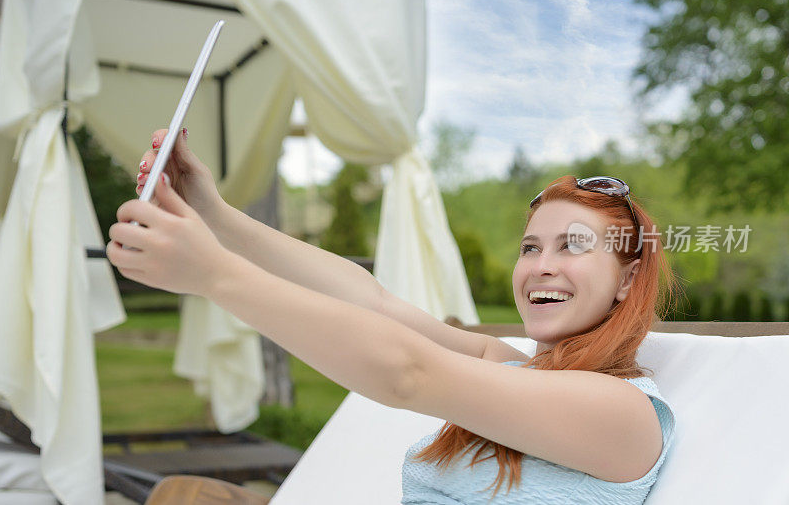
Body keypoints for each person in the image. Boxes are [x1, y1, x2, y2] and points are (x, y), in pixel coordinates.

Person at [108, 129, 677, 504]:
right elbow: (374, 304)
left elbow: (409, 373)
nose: (541, 267)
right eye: (531, 248)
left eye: (573, 246)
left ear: (628, 279)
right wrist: (215, 216)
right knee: (184, 494)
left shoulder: (623, 414)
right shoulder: (513, 368)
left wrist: (214, 275)